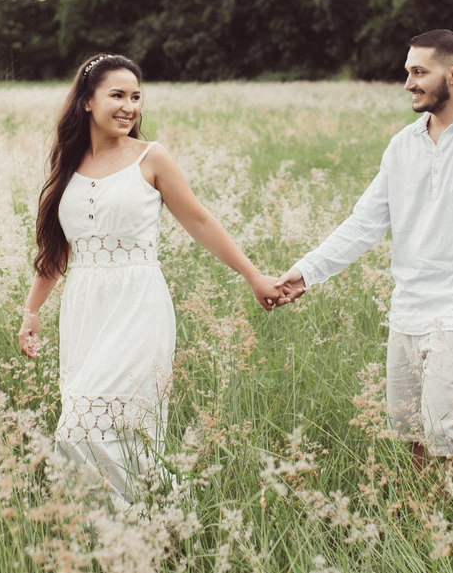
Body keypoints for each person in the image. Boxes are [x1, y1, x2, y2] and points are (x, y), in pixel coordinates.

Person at [275, 29, 453, 502]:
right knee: (415, 439)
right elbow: (363, 224)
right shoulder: (402, 146)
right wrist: (306, 272)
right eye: (408, 72)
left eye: (419, 72)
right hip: (408, 312)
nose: (408, 82)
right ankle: (432, 539)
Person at [17, 53, 282, 507]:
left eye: (136, 96)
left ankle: (141, 524)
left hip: (138, 305)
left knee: (88, 423)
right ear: (86, 100)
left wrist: (254, 276)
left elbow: (200, 221)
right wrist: (31, 310)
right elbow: (57, 250)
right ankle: (142, 524)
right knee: (99, 427)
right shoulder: (67, 164)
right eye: (117, 95)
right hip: (84, 312)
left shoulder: (150, 157)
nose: (129, 106)